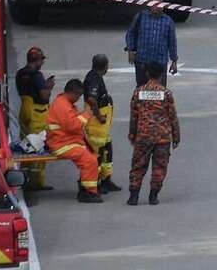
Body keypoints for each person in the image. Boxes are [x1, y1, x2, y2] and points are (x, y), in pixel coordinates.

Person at [126, 75, 180, 206]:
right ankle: (153, 195)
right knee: (159, 167)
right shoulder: (166, 93)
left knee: (138, 165)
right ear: (161, 75)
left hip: (143, 136)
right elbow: (172, 116)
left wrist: (132, 133)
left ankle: (134, 196)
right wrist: (176, 136)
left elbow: (134, 115)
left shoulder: (139, 92)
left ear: (147, 73)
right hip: (162, 136)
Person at [47, 79, 104, 203]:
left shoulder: (65, 103)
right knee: (89, 160)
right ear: (72, 92)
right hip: (62, 144)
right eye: (78, 95)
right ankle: (88, 192)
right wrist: (87, 114)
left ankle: (88, 186)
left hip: (67, 142)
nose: (79, 98)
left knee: (94, 157)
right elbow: (74, 126)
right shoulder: (63, 106)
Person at [82, 53, 121, 193]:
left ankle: (106, 180)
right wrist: (99, 116)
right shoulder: (94, 79)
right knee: (96, 156)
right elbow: (92, 99)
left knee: (106, 153)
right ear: (105, 66)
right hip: (96, 125)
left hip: (102, 128)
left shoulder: (96, 77)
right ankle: (96, 183)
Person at [15, 47, 53, 191]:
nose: (42, 62)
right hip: (37, 113)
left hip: (24, 111)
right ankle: (38, 183)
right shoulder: (37, 75)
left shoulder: (20, 74)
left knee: (26, 145)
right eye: (42, 59)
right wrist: (48, 87)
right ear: (37, 60)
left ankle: (25, 179)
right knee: (38, 146)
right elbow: (44, 96)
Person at [125, 0, 179, 85]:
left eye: (159, 4)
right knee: (141, 89)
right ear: (149, 4)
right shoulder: (140, 17)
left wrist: (174, 61)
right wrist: (130, 50)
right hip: (142, 61)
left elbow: (172, 43)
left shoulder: (168, 22)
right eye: (154, 4)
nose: (157, 7)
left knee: (160, 91)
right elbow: (130, 33)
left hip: (160, 63)